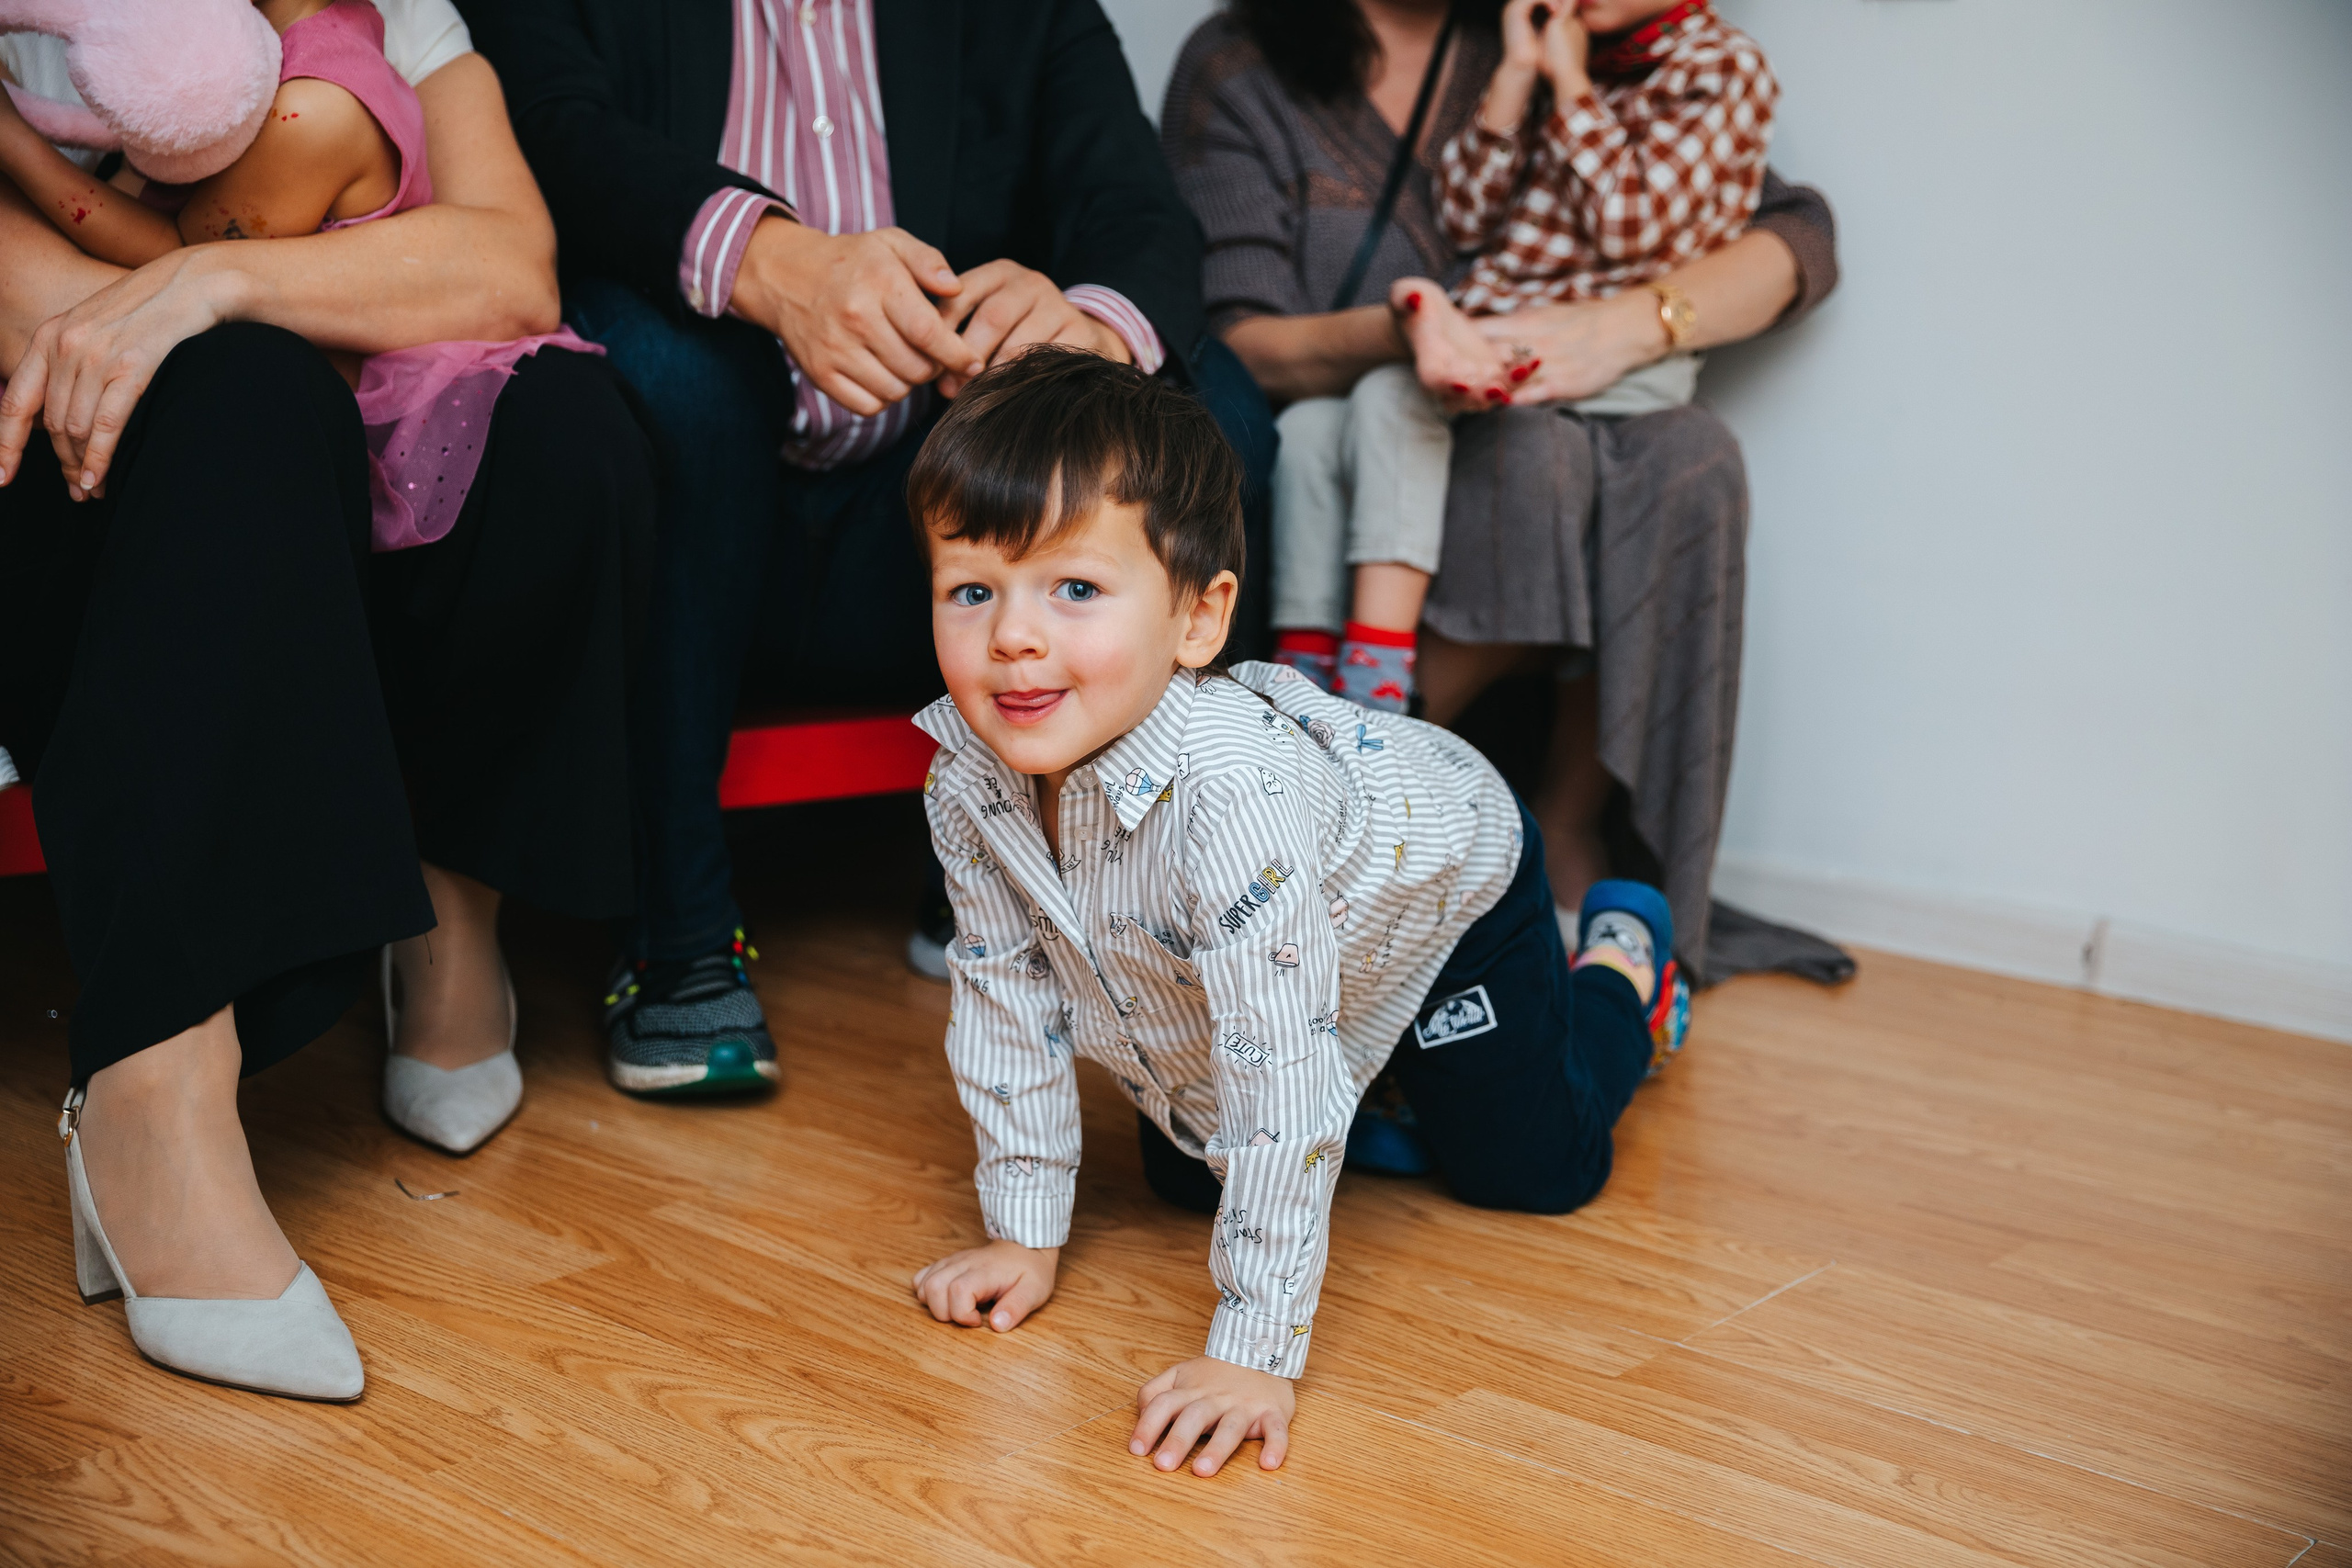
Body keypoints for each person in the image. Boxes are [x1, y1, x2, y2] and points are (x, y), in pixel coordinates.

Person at [0, 0, 652, 1399]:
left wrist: (222, 280)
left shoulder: (383, 16)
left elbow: (514, 267)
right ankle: (153, 1074)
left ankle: (450, 907)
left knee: (565, 428)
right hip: (48, 442)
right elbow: (53, 322)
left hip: (279, 376)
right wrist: (219, 301)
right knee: (245, 394)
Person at [461, 0, 1278, 1099]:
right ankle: (676, 927)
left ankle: (1049, 857)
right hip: (677, 522)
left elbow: (1132, 201)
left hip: (918, 542)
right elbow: (547, 137)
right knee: (678, 376)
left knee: (1204, 402)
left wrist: (1080, 331)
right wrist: (760, 256)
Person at [903, 347, 1687, 1478]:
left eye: (1074, 587)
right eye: (972, 589)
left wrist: (1253, 1350)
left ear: (1197, 619)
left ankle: (1617, 965)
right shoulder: (964, 780)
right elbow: (1003, 993)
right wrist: (1023, 1233)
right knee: (1187, 1175)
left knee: (1536, 1166)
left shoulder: (1230, 796)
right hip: (1314, 950)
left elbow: (1277, 1065)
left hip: (1451, 878)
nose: (1012, 635)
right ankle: (1387, 1076)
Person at [1162, 0, 1839, 974]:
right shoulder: (1243, 66)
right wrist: (1409, 335)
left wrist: (1639, 321)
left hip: (1523, 390)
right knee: (1529, 456)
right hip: (1379, 406)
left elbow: (1793, 231)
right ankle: (1363, 761)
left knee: (1691, 455)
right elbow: (1234, 345)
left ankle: (1588, 834)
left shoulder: (1552, 34)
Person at [1273, 0, 1776, 714]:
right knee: (1311, 428)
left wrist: (1570, 87)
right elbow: (1465, 214)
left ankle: (1371, 699)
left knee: (1391, 398)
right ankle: (1297, 692)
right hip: (1504, 318)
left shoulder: (1721, 67)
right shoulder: (1562, 51)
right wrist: (1517, 72)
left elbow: (1631, 225)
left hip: (1607, 353)